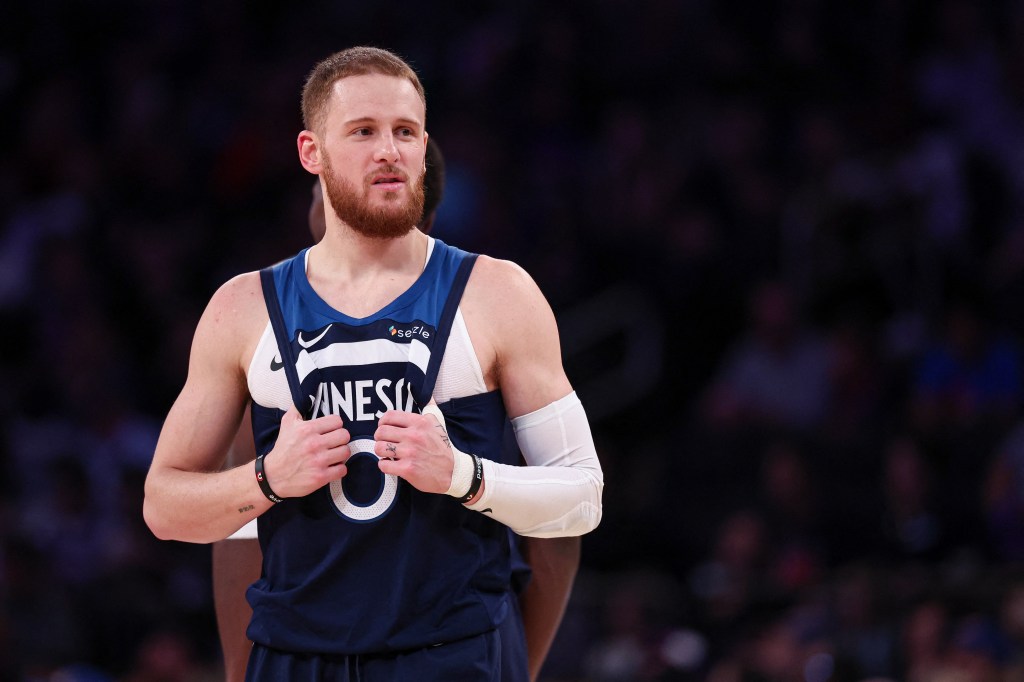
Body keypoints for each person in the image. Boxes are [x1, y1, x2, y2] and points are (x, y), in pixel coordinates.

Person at [144, 46, 603, 682]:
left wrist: (465, 475)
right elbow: (164, 506)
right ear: (311, 153)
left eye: (405, 132)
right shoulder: (241, 308)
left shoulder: (500, 293)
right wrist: (268, 480)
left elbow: (582, 499)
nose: (389, 150)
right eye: (363, 131)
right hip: (293, 654)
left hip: (452, 652)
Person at [212, 138, 582, 682]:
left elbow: (563, 518)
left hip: (453, 645)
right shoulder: (258, 321)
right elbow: (236, 527)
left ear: (418, 207)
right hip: (308, 648)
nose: (323, 200)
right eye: (321, 185)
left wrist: (516, 663)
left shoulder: (487, 304)